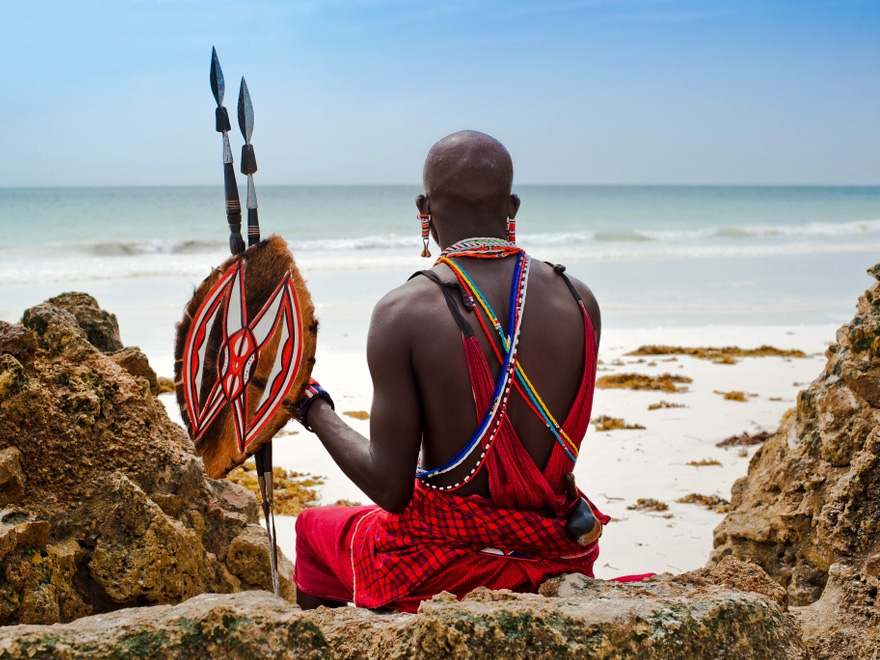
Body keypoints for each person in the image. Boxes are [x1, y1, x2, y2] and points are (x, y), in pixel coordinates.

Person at [293, 130, 610, 612]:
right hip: (558, 553)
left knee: (313, 528)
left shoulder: (402, 312)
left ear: (424, 209)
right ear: (513, 208)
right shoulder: (580, 300)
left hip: (447, 569)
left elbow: (391, 489)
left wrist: (314, 408)